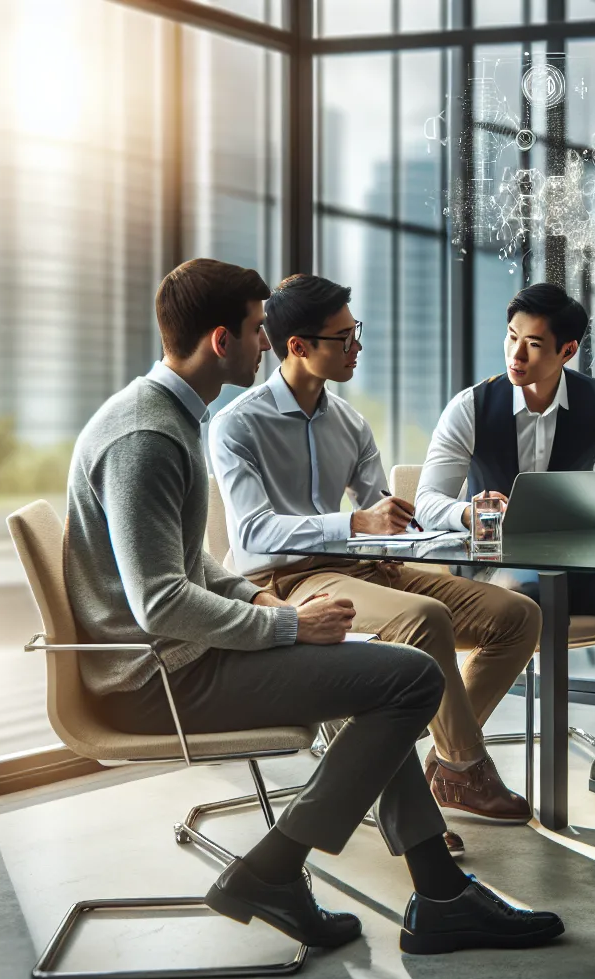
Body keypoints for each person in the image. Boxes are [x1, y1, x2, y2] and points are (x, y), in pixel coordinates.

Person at [67, 258, 563, 954]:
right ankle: (277, 870)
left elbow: (193, 566)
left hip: (188, 653)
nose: (263, 341)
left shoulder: (167, 420)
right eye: (253, 329)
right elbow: (160, 604)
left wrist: (253, 597)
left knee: (389, 675)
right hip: (160, 679)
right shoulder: (149, 436)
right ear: (221, 341)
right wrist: (285, 620)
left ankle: (439, 893)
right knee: (408, 675)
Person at [209, 274, 541, 857]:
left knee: (516, 615)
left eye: (354, 333)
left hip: (367, 567)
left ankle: (445, 763)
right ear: (298, 347)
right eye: (344, 338)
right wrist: (355, 524)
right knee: (426, 619)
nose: (356, 347)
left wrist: (453, 519)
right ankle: (464, 763)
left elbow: (390, 518)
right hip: (285, 579)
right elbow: (254, 535)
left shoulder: (350, 423)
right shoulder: (238, 424)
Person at [417, 282, 595, 811]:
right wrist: (470, 512)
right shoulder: (470, 406)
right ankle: (455, 754)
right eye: (510, 338)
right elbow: (426, 500)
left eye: (532, 344)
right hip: (499, 575)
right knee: (524, 601)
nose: (515, 354)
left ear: (567, 351)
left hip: (580, 570)